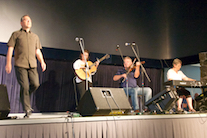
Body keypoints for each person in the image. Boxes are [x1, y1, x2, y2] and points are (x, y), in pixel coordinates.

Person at [5, 15, 46, 118]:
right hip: (20, 64)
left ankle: (24, 96)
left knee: (35, 84)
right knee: (25, 86)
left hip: (32, 64)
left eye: (29, 20)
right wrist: (8, 63)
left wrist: (42, 61)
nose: (28, 22)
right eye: (26, 20)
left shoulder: (35, 37)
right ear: (21, 23)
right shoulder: (16, 34)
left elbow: (37, 51)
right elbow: (10, 49)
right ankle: (27, 109)